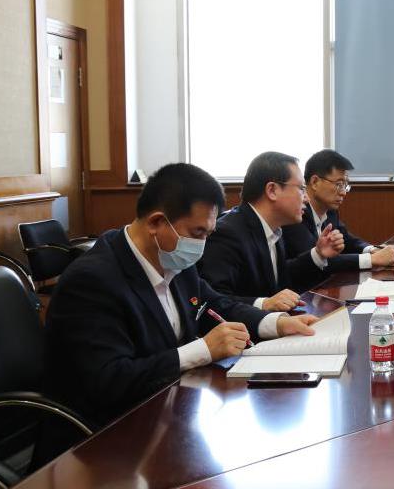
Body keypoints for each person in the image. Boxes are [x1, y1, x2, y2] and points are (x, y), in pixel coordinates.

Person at [46, 163, 320, 426]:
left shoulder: (173, 258)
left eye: (208, 233)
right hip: (105, 433)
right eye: (197, 233)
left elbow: (214, 304)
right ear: (156, 222)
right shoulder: (92, 281)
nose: (202, 245)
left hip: (170, 409)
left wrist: (276, 323)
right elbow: (110, 380)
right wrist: (203, 349)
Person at [198, 151, 344, 308]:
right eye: (302, 189)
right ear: (272, 190)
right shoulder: (227, 233)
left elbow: (278, 281)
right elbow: (211, 300)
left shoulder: (273, 228)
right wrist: (263, 303)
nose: (307, 198)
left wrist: (318, 254)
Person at [282, 149, 394, 272]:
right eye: (338, 184)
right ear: (315, 182)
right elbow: (319, 259)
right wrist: (371, 259)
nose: (343, 193)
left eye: (344, 185)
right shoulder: (295, 214)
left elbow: (347, 240)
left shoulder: (330, 210)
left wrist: (372, 249)